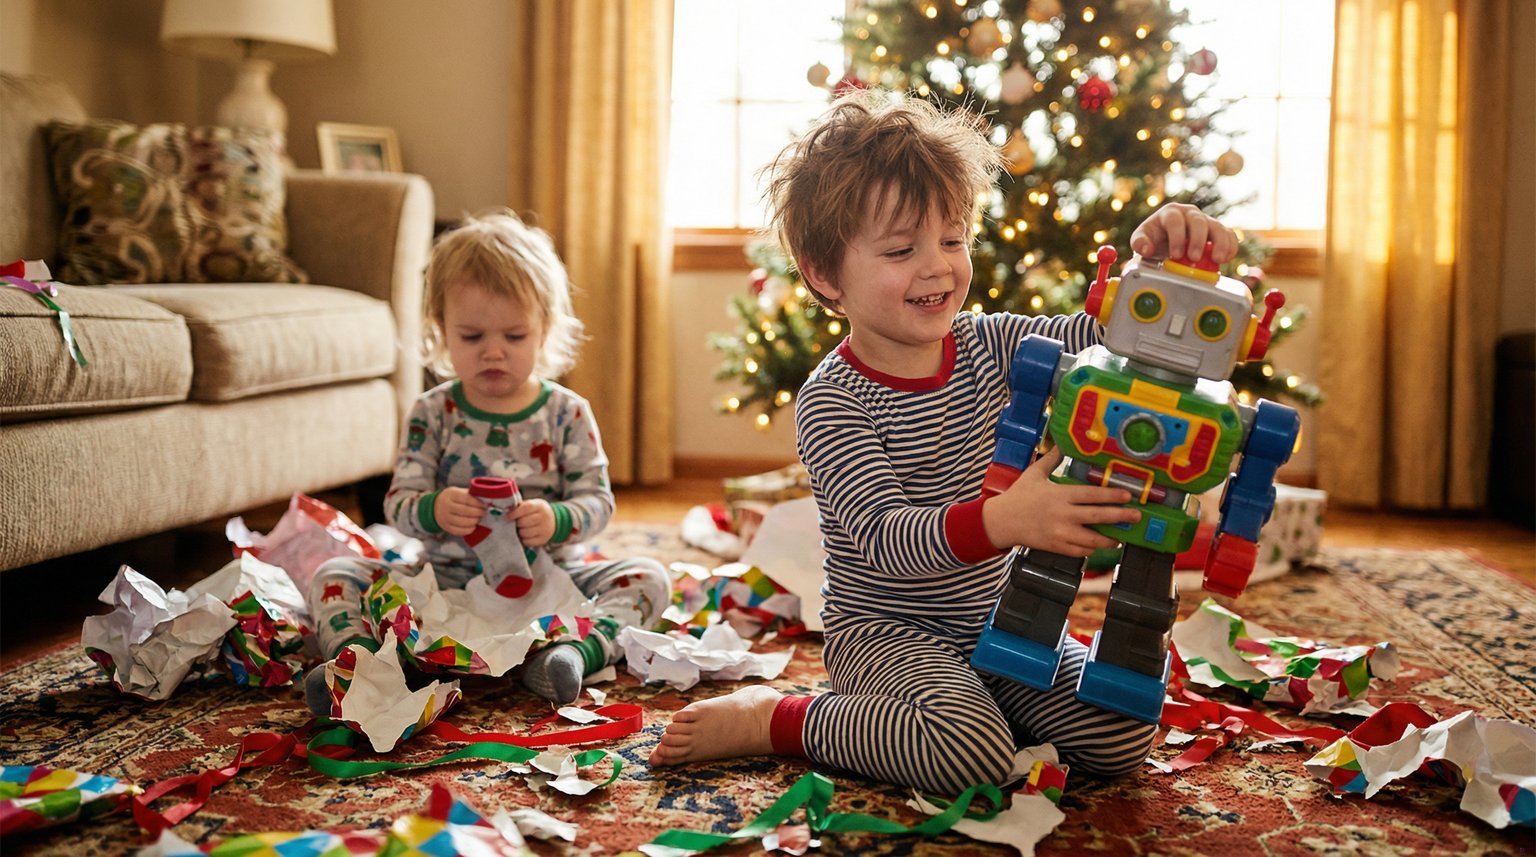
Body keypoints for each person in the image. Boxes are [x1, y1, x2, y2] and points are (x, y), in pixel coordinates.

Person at [648, 90, 1238, 794]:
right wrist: (1004, 520)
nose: (937, 266)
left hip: (1004, 619)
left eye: (952, 240)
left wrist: (1162, 264)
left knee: (1121, 731)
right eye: (902, 249)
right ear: (824, 273)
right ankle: (781, 717)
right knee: (968, 756)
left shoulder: (995, 344)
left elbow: (1111, 344)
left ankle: (971, 704)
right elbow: (886, 539)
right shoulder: (833, 399)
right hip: (886, 634)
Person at [304, 209, 670, 713]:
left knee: (649, 578)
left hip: (548, 588)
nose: (494, 352)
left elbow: (598, 503)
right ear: (441, 330)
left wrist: (557, 518)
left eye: (514, 337)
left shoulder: (566, 413)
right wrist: (435, 508)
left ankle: (568, 655)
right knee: (335, 574)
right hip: (445, 586)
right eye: (472, 337)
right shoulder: (433, 412)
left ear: (544, 330)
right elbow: (399, 504)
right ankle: (361, 664)